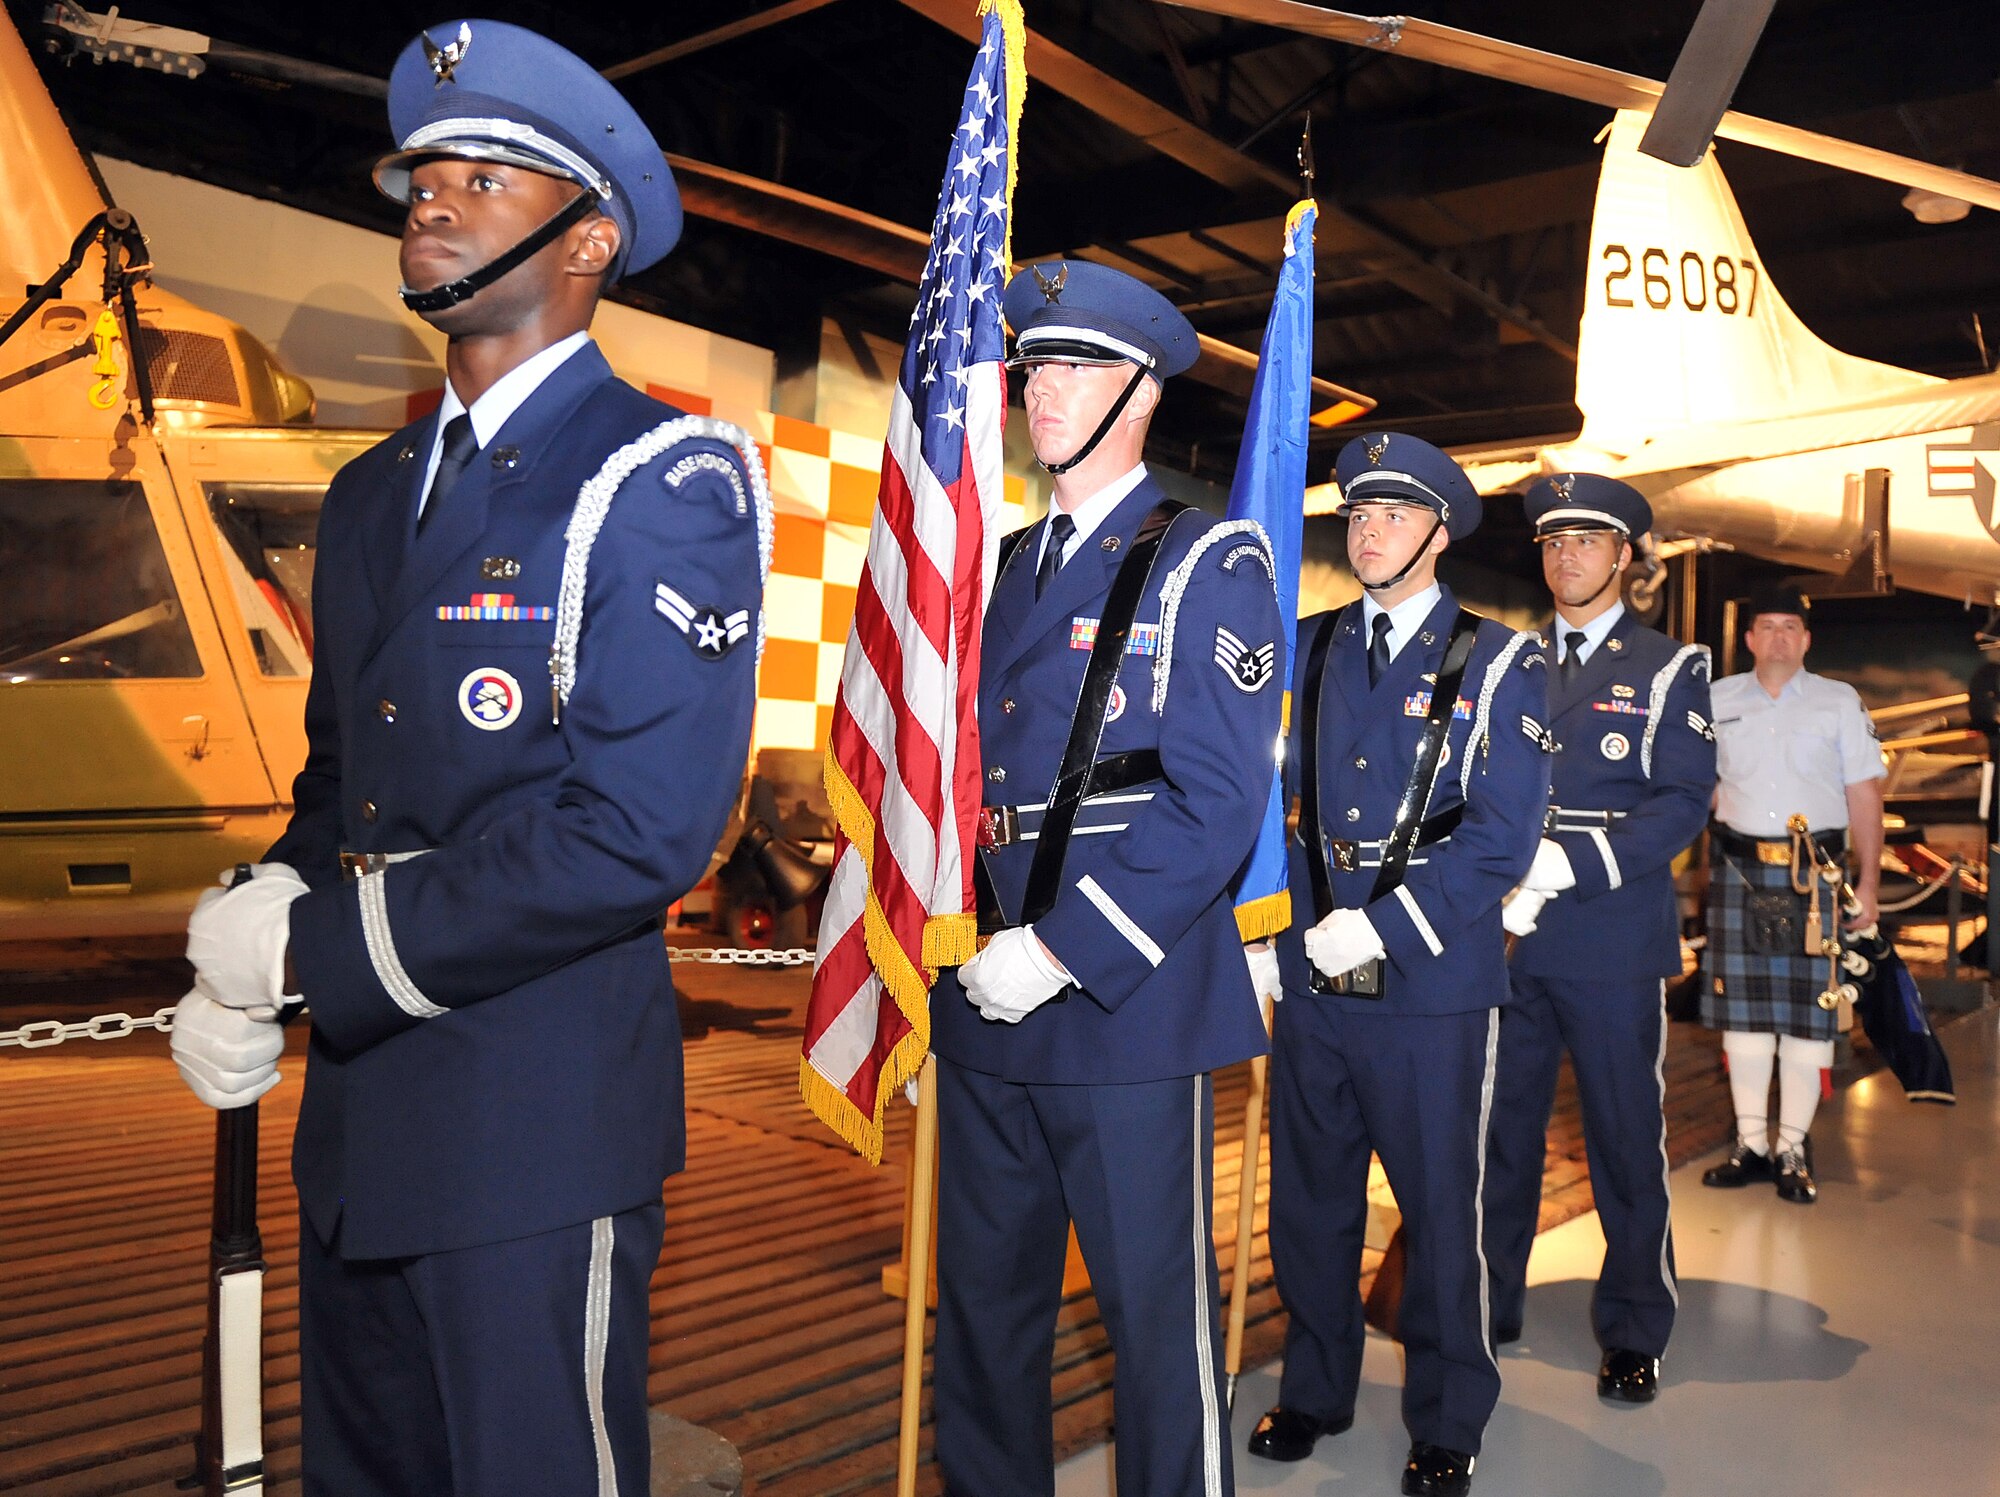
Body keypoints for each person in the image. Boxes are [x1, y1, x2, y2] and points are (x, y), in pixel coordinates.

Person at [168, 20, 768, 1495]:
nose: (432, 198)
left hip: (531, 1121)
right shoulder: (374, 492)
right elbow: (346, 783)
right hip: (365, 1113)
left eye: (488, 177)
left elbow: (639, 830)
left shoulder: (657, 476)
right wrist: (248, 940)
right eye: (423, 173)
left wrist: (317, 949)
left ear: (589, 238)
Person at [927, 259, 1284, 1497]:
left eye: (1072, 365)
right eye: (1032, 364)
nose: (1040, 388)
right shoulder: (999, 565)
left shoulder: (1204, 564)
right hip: (979, 997)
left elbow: (1217, 802)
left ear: (1140, 391)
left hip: (1117, 1005)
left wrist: (1062, 948)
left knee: (1152, 1324)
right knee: (981, 1319)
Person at [1248, 433, 1549, 1497]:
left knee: (1438, 1210)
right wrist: (1269, 943)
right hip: (1314, 981)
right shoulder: (1306, 644)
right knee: (1310, 1202)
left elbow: (1501, 835)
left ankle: (1448, 1415)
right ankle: (1317, 1388)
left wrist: (1385, 927)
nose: (1367, 532)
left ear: (1438, 531)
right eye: (1357, 515)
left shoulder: (1501, 660)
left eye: (1390, 516)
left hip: (1428, 986)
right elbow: (1270, 810)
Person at [1483, 474, 1715, 1406]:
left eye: (1586, 541)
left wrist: (1571, 866)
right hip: (1506, 938)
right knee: (1501, 1131)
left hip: (1611, 936)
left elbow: (1681, 801)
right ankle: (1489, 1299)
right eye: (1551, 541)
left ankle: (1633, 1324)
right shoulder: (1509, 660)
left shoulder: (1669, 667)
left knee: (1625, 1137)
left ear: (1623, 557)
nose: (1565, 555)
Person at [1699, 584, 1884, 1204]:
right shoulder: (1717, 699)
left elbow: (1865, 796)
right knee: (1744, 1021)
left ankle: (1792, 1148)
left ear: (1805, 639)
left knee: (1810, 1020)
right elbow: (1701, 787)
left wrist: (1870, 885)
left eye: (1790, 627)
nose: (1778, 637)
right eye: (1766, 626)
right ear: (1749, 639)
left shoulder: (1838, 702)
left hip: (1818, 877)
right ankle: (1751, 1144)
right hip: (1740, 873)